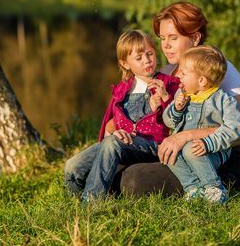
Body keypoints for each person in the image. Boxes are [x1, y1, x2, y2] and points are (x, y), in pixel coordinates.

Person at [118, 2, 240, 196]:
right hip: (175, 152)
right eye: (162, 38)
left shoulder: (218, 68)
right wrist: (114, 130)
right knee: (117, 165)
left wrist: (185, 137)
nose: (165, 45)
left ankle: (211, 187)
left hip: (215, 157)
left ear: (195, 37)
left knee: (133, 180)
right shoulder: (165, 73)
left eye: (173, 37)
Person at [64, 30, 180, 202]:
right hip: (122, 143)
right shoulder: (122, 90)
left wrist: (165, 99)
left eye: (150, 54)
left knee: (112, 144)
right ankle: (72, 202)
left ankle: (91, 203)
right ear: (125, 64)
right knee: (72, 167)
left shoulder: (169, 84)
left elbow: (177, 119)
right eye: (139, 58)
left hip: (152, 145)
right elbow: (113, 122)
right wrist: (114, 133)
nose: (147, 60)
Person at [163, 46, 240, 203]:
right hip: (187, 148)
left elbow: (235, 127)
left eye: (183, 73)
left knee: (190, 150)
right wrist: (176, 109)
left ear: (201, 80)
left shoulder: (222, 100)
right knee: (169, 152)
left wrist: (208, 143)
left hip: (214, 150)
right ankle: (193, 188)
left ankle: (214, 187)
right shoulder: (183, 95)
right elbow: (168, 121)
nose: (178, 75)